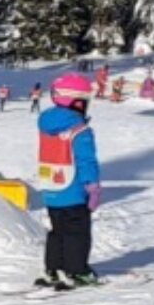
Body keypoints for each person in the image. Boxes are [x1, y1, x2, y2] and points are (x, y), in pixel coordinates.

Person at [34, 72, 103, 288]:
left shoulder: (46, 126)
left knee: (57, 230)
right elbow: (85, 161)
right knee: (77, 232)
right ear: (76, 101)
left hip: (51, 188)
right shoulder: (80, 130)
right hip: (73, 190)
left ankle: (54, 268)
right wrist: (92, 187)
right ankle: (77, 271)